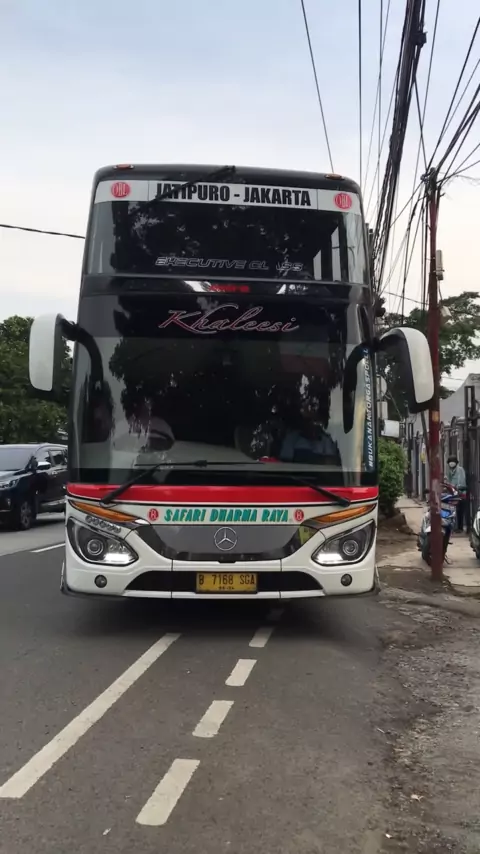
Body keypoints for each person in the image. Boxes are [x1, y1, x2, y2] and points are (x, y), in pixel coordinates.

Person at [445, 455, 467, 532]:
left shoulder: (460, 470)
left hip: (461, 493)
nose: (451, 463)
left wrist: (456, 487)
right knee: (453, 510)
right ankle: (454, 526)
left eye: (453, 462)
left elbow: (461, 481)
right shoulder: (449, 471)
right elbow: (447, 481)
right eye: (450, 462)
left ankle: (460, 528)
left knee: (460, 510)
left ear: (456, 463)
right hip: (452, 494)